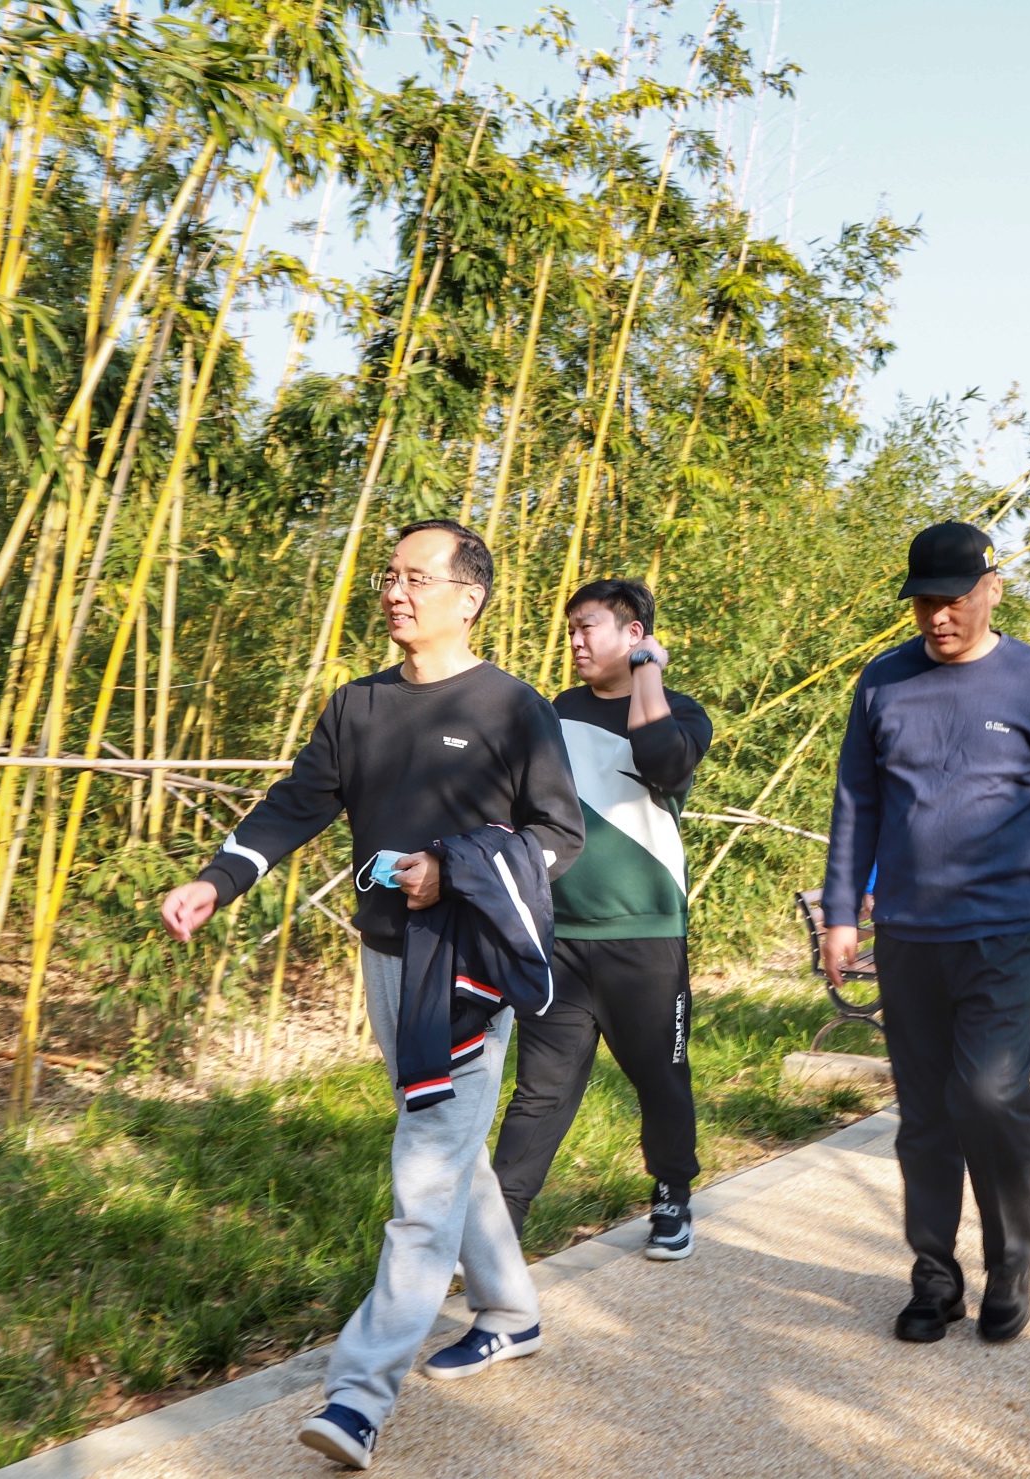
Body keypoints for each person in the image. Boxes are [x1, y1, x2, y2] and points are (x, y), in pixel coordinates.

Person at [159, 520, 585, 1471]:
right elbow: (295, 803)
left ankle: (358, 1392)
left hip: (465, 967)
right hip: (386, 955)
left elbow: (559, 835)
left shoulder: (515, 708)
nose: (395, 591)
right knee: (446, 1140)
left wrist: (455, 869)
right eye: (389, 575)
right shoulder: (358, 704)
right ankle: (510, 1309)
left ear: (468, 597)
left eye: (416, 577)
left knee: (425, 1170)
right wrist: (217, 880)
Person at [821, 520, 1030, 1347]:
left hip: (1007, 926)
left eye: (954, 600)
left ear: (992, 590)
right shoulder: (883, 681)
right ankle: (935, 1275)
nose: (938, 617)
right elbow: (856, 803)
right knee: (924, 1113)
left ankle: (1010, 1261)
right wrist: (842, 911)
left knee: (988, 1094)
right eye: (924, 603)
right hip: (910, 931)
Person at [492, 579, 712, 1260]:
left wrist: (649, 673)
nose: (576, 642)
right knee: (540, 1091)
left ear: (634, 633)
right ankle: (497, 1227)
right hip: (560, 936)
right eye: (571, 630)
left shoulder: (681, 712)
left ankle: (671, 1195)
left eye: (588, 627)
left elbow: (661, 759)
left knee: (661, 1077)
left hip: (645, 935)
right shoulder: (553, 713)